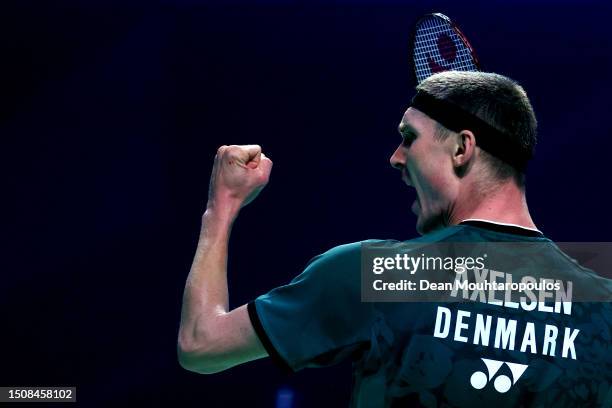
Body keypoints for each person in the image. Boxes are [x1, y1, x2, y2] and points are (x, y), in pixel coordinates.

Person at [177, 71, 612, 407]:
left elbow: (201, 344)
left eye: (409, 139)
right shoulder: (603, 299)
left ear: (462, 149)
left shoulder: (378, 275)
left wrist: (223, 207)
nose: (395, 158)